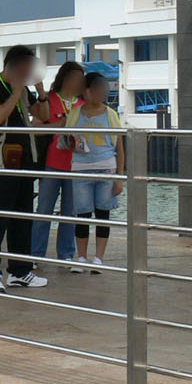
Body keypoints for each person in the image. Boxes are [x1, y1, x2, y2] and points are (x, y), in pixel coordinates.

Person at [0, 45, 50, 293]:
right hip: (0, 162)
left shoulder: (25, 90)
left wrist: (40, 93)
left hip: (24, 162)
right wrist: (17, 91)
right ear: (15, 65)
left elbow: (44, 117)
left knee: (22, 219)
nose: (30, 71)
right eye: (27, 66)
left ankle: (20, 271)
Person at [65, 73, 124, 273]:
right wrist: (72, 142)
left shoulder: (111, 114)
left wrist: (119, 177)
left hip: (106, 168)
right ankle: (81, 257)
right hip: (81, 168)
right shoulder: (75, 113)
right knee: (82, 214)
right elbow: (65, 139)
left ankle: (99, 258)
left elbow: (120, 147)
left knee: (102, 214)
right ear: (86, 90)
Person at [30, 61, 85, 272]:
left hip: (76, 165)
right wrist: (59, 126)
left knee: (70, 213)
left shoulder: (82, 104)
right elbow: (36, 128)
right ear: (64, 78)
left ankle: (67, 255)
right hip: (52, 163)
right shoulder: (49, 100)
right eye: (74, 78)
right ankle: (36, 254)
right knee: (44, 210)